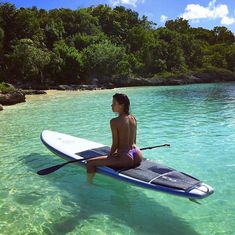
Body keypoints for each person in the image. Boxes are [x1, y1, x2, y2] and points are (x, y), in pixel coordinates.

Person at [86, 93, 143, 183]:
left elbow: (115, 144)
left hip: (126, 158)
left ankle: (88, 185)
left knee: (90, 163)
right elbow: (134, 141)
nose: (111, 105)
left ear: (122, 105)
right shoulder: (133, 118)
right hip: (137, 154)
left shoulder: (114, 121)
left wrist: (109, 157)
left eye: (114, 103)